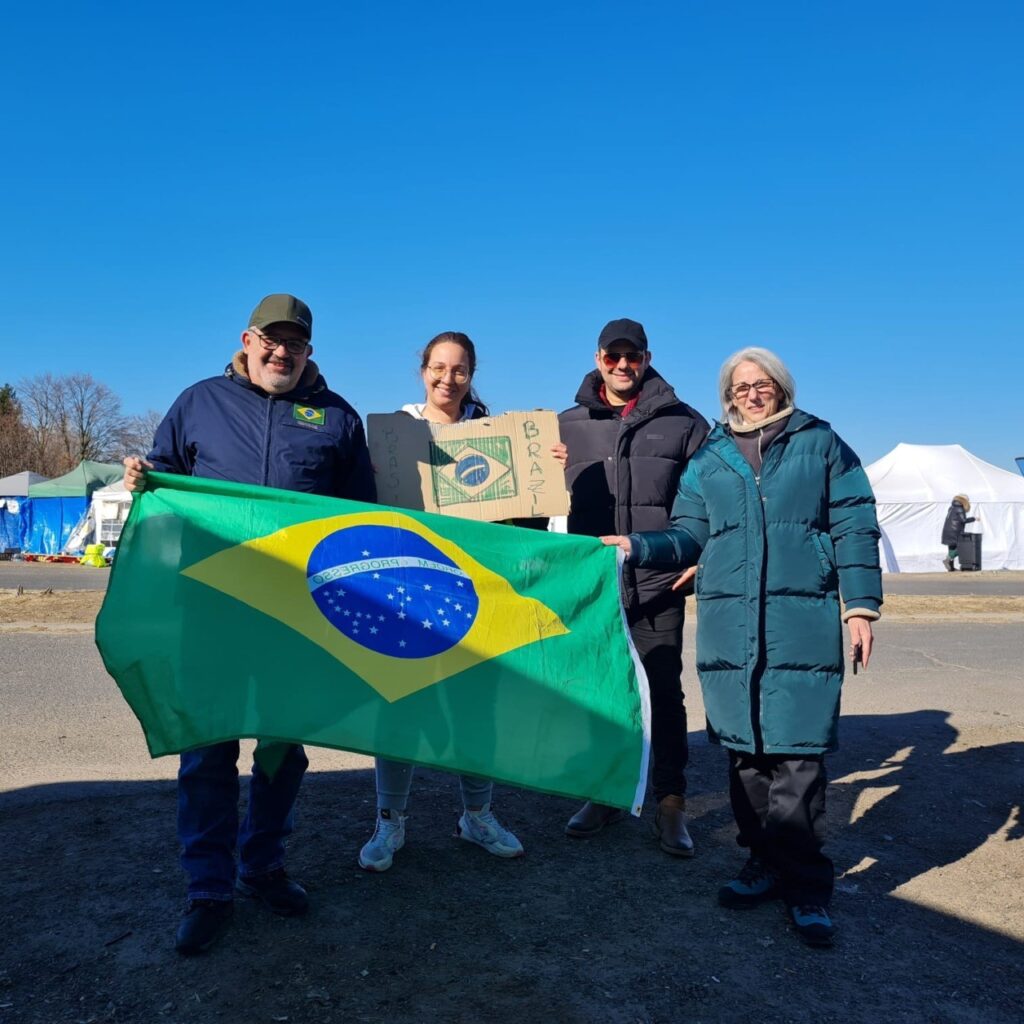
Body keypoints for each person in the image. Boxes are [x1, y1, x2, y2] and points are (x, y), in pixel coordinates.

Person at [603, 346, 882, 947]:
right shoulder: (712, 459)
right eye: (739, 385)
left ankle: (807, 887)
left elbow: (855, 524)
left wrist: (860, 606)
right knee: (746, 756)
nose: (751, 393)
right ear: (727, 394)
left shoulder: (820, 444)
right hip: (731, 623)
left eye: (762, 384)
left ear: (781, 386)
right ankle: (761, 863)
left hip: (800, 620)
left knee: (798, 760)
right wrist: (635, 544)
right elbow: (688, 532)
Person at [122, 293, 375, 955]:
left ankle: (263, 867)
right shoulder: (198, 402)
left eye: (295, 343)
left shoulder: (338, 419)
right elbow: (166, 481)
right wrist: (142, 476)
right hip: (211, 613)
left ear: (309, 351)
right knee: (207, 751)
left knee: (281, 751)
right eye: (271, 339)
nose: (281, 352)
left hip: (296, 620)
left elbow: (365, 519)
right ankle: (208, 891)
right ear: (247, 338)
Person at [358, 330, 567, 872]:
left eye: (460, 370)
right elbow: (360, 507)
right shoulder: (392, 435)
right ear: (421, 369)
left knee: (477, 711)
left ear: (472, 374)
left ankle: (476, 815)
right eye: (438, 367)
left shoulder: (495, 435)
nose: (447, 379)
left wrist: (546, 470)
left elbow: (527, 521)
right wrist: (368, 477)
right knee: (400, 709)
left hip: (476, 594)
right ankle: (389, 822)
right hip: (408, 592)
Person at [558, 318, 709, 856]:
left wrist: (705, 558)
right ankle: (605, 792)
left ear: (646, 359)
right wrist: (545, 474)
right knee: (601, 692)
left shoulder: (685, 423)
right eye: (612, 356)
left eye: (633, 356)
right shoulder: (565, 425)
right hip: (594, 586)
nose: (623, 366)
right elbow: (534, 502)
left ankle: (670, 804)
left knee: (663, 694)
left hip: (657, 582)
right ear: (598, 358)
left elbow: (716, 500)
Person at [941, 495, 975, 570]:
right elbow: (964, 520)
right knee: (963, 548)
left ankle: (951, 568)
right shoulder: (960, 508)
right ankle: (948, 559)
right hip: (955, 532)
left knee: (951, 549)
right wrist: (974, 518)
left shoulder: (951, 508)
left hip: (948, 531)